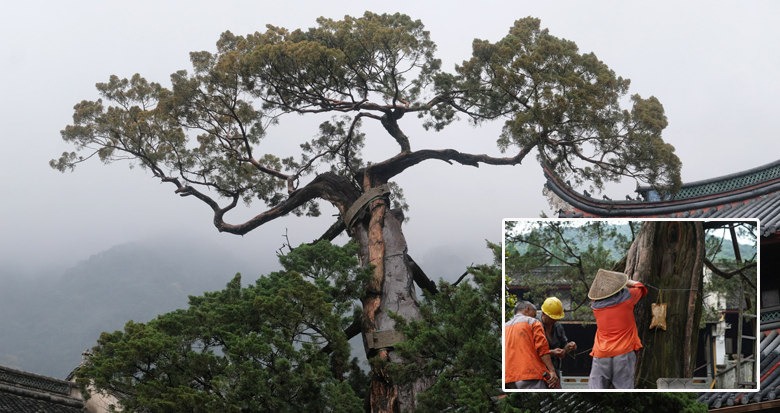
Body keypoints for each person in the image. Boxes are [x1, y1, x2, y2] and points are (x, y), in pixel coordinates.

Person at [587, 269, 647, 389]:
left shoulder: (595, 305)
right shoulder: (628, 297)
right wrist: (625, 282)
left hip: (601, 354)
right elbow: (641, 287)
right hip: (623, 352)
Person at [505, 300, 559, 389]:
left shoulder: (505, 326)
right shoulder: (532, 322)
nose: (535, 317)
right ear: (528, 309)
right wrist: (552, 371)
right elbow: (542, 348)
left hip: (509, 377)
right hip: (529, 374)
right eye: (534, 314)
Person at [540, 297, 577, 380]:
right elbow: (531, 352)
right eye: (552, 317)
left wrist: (569, 347)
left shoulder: (558, 327)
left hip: (555, 371)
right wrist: (552, 352)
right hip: (538, 371)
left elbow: (564, 346)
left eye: (556, 317)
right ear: (543, 313)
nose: (554, 320)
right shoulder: (534, 327)